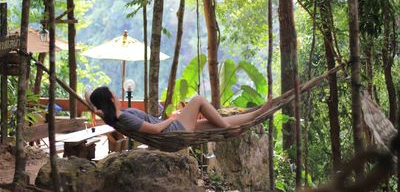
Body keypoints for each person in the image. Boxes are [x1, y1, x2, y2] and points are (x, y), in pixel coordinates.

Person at [89, 86, 273, 134]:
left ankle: (257, 113)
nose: (116, 95)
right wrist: (172, 118)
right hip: (172, 130)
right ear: (111, 100)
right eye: (113, 94)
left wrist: (98, 111)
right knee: (198, 100)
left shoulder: (115, 117)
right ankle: (228, 128)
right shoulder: (123, 118)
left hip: (172, 128)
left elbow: (104, 114)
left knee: (209, 123)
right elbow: (154, 129)